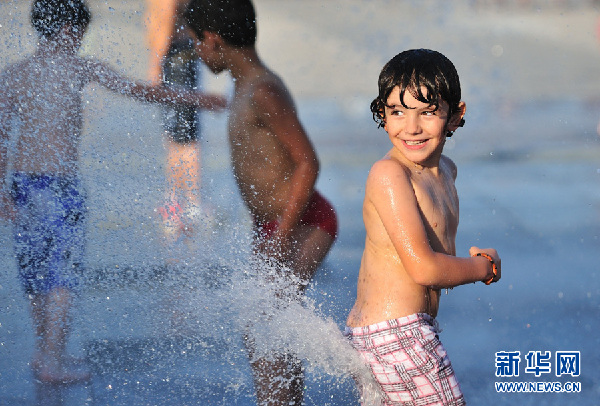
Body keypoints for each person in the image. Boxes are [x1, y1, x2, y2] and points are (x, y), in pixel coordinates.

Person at [0, 0, 225, 384]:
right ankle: (53, 361)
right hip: (62, 188)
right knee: (63, 275)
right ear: (71, 28)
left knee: (35, 273)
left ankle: (45, 353)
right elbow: (142, 92)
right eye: (81, 32)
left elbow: (3, 137)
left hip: (23, 185)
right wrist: (199, 100)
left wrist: (3, 194)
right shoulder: (80, 66)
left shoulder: (15, 74)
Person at [184, 1, 338, 404]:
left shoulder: (263, 90)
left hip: (304, 220)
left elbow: (308, 162)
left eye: (197, 42)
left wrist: (281, 234)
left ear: (214, 40)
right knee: (271, 329)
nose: (196, 52)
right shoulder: (243, 85)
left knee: (265, 326)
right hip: (275, 225)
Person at [345, 49, 501, 405]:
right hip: (394, 336)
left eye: (427, 112)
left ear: (455, 116)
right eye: (397, 112)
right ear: (381, 114)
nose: (411, 127)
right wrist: (484, 267)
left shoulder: (446, 170)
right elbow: (424, 267)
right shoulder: (389, 174)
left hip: (399, 334)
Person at [145, 0, 207, 243]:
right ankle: (177, 200)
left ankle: (187, 204)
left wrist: (155, 65)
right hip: (180, 56)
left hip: (174, 58)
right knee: (178, 135)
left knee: (183, 137)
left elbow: (167, 16)